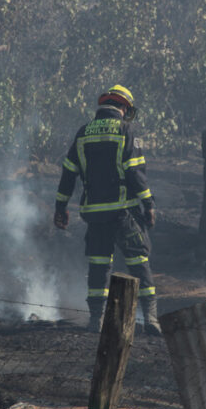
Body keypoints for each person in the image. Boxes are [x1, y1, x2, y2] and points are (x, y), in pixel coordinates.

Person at [53, 85, 161, 336]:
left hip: (96, 216)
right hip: (124, 214)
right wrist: (149, 205)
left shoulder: (83, 133)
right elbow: (135, 173)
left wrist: (60, 207)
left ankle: (95, 321)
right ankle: (151, 319)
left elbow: (68, 174)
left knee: (99, 266)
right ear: (123, 107)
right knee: (139, 262)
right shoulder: (125, 130)